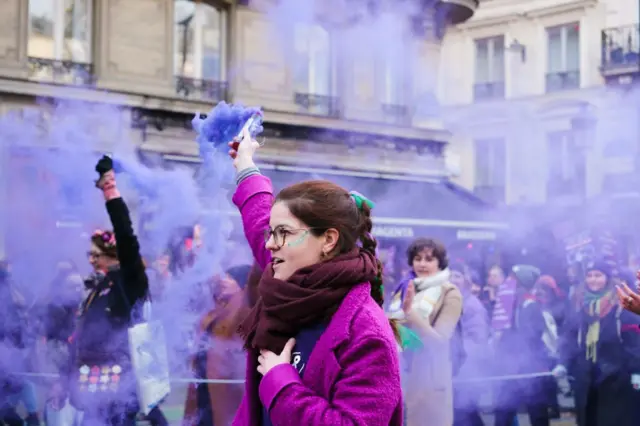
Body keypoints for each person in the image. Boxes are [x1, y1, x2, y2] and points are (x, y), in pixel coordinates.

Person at [227, 128, 403, 425]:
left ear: (328, 240)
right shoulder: (287, 282)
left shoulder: (366, 332)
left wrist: (281, 384)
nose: (270, 244)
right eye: (273, 232)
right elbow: (257, 217)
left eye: (283, 233)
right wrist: (246, 164)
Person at [54, 156, 149, 426]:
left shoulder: (129, 281)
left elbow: (126, 236)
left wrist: (110, 192)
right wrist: (63, 382)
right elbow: (79, 336)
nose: (92, 260)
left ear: (114, 255)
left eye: (97, 254)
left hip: (119, 388)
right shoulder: (97, 288)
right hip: (90, 386)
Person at [387, 237, 463, 426]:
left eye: (429, 259)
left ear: (440, 263)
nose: (422, 264)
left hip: (430, 380)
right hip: (399, 377)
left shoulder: (450, 293)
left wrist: (411, 315)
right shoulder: (404, 289)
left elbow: (440, 340)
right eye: (418, 258)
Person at [559, 261, 640, 426]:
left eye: (598, 275)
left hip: (617, 383)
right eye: (589, 276)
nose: (593, 280)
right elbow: (569, 340)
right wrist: (562, 364)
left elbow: (635, 345)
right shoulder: (579, 306)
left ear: (607, 278)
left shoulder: (621, 307)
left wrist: (637, 374)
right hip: (586, 382)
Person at [183, 265, 252, 426]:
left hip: (226, 393)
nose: (223, 281)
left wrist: (241, 293)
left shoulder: (243, 313)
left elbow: (242, 315)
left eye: (230, 278)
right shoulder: (213, 314)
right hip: (203, 389)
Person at [493, 265, 550, 426]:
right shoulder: (511, 305)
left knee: (537, 413)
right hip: (510, 366)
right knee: (503, 410)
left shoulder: (532, 306)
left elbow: (532, 336)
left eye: (513, 280)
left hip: (530, 367)